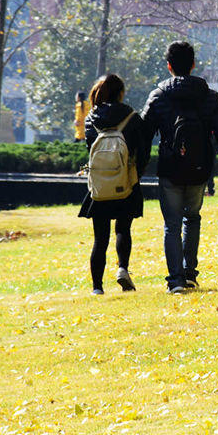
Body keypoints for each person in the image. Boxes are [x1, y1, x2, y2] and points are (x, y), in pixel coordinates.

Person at [141, 41, 218, 294]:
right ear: (194, 65)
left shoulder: (159, 96)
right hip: (199, 168)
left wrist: (136, 166)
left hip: (170, 169)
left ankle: (175, 281)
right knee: (192, 218)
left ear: (169, 66)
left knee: (171, 224)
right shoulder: (209, 96)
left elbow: (143, 135)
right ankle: (190, 274)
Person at [78, 74, 149, 295]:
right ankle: (122, 269)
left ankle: (97, 287)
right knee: (123, 229)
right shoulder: (132, 117)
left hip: (99, 185)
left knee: (100, 237)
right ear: (120, 93)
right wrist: (137, 173)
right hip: (125, 181)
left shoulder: (91, 118)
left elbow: (90, 148)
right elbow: (143, 150)